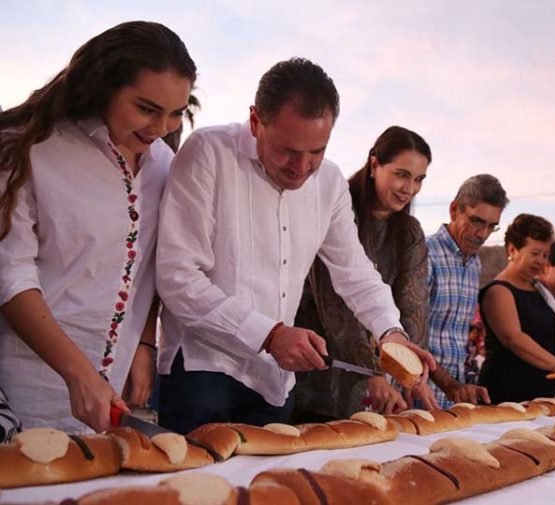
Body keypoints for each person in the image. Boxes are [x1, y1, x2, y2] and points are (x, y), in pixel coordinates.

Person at [155, 58, 435, 434]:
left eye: (316, 151)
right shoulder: (208, 152)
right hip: (202, 369)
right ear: (256, 122)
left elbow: (353, 270)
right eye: (288, 150)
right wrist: (269, 335)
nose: (302, 168)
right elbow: (177, 278)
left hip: (274, 382)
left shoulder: (331, 182)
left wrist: (390, 331)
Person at [0, 21, 196, 433]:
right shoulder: (30, 148)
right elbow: (10, 276)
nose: (162, 129)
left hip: (113, 392)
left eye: (176, 113)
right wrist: (77, 373)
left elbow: (155, 263)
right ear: (104, 85)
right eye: (146, 108)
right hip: (29, 386)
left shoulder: (164, 163)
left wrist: (144, 344)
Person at [293, 126, 435, 419]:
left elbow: (413, 307)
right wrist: (372, 373)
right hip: (317, 370)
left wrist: (412, 375)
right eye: (401, 174)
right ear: (374, 165)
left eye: (419, 179)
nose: (410, 188)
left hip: (380, 384)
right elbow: (336, 306)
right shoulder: (337, 210)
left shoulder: (410, 233)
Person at [479, 214, 555, 402]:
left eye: (545, 255)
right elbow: (514, 338)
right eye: (535, 253)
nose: (541, 261)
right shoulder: (498, 291)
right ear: (512, 250)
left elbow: (545, 339)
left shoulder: (541, 291)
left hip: (543, 395)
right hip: (507, 395)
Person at [425, 174, 508, 409]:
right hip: (413, 396)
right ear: (454, 210)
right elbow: (409, 335)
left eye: (491, 226)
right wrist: (450, 385)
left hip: (451, 399)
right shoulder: (423, 254)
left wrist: (461, 386)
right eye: (476, 221)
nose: (482, 234)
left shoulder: (474, 263)